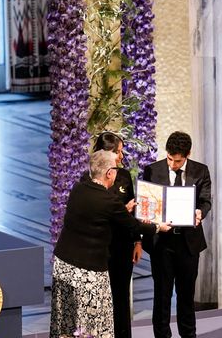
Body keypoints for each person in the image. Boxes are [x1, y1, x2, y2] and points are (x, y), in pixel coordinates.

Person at [50, 150, 171, 338]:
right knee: (94, 324)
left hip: (63, 265)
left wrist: (122, 210)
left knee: (67, 321)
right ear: (109, 173)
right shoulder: (108, 201)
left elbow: (97, 215)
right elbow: (133, 225)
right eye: (116, 168)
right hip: (89, 271)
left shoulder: (78, 189)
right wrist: (158, 227)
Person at [142, 131, 212, 338]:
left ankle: (188, 335)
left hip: (188, 242)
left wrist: (200, 212)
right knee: (162, 295)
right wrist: (147, 217)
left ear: (188, 154)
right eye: (170, 159)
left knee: (186, 295)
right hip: (162, 243)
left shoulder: (201, 171)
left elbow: (205, 201)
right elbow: (147, 203)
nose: (172, 164)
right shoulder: (152, 170)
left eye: (178, 161)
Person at [90, 132, 141, 338]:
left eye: (121, 151)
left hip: (123, 246)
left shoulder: (124, 176)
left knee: (121, 297)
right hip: (101, 248)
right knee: (102, 298)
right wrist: (121, 211)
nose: (121, 156)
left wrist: (137, 241)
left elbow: (134, 211)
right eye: (118, 152)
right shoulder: (90, 179)